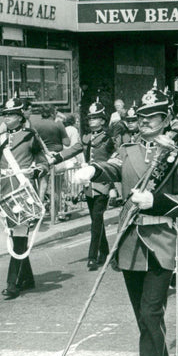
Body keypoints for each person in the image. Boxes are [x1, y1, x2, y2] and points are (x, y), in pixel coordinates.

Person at [72, 85, 178, 356]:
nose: (144, 122)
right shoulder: (127, 150)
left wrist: (155, 201)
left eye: (151, 117)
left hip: (159, 244)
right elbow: (112, 168)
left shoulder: (176, 156)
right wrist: (93, 171)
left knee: (150, 314)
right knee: (145, 319)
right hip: (129, 245)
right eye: (140, 117)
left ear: (165, 119)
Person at [0, 97, 48, 299]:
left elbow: (43, 161)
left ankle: (12, 284)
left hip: (25, 191)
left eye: (11, 114)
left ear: (20, 117)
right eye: (5, 114)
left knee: (18, 236)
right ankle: (27, 278)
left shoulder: (30, 136)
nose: (7, 118)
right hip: (6, 192)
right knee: (17, 235)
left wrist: (38, 170)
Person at [56, 102, 117, 270]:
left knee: (96, 221)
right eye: (90, 118)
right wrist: (56, 158)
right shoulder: (86, 137)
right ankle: (106, 253)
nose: (91, 121)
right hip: (89, 185)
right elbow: (74, 149)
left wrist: (113, 186)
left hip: (103, 183)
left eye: (95, 118)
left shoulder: (108, 138)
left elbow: (115, 160)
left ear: (103, 121)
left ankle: (92, 256)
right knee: (96, 220)